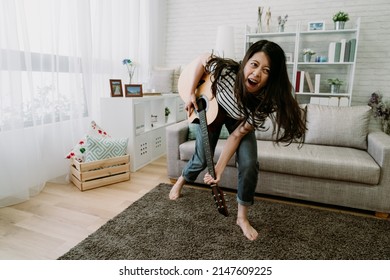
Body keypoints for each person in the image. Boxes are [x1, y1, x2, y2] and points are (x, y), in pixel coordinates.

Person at [169, 40, 306, 241]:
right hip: (212, 112)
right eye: (254, 64)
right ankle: (181, 180)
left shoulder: (267, 102)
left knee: (250, 163)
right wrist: (191, 93)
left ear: (272, 77)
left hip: (238, 123)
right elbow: (203, 58)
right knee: (200, 159)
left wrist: (220, 168)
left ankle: (242, 217)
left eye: (266, 70)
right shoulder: (226, 72)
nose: (257, 73)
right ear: (245, 62)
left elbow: (237, 135)